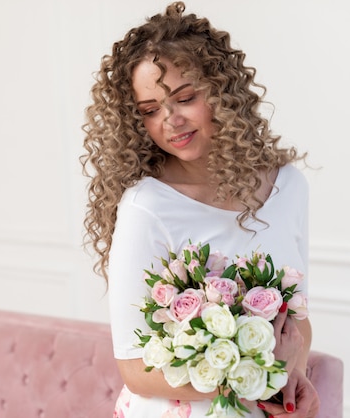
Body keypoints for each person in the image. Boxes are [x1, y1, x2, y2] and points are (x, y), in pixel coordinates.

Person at [81, 2, 320, 417]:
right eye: (151, 111)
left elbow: (296, 322)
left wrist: (289, 381)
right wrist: (257, 376)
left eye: (185, 98)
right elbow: (135, 369)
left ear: (222, 92)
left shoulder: (289, 187)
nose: (170, 121)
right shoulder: (147, 207)